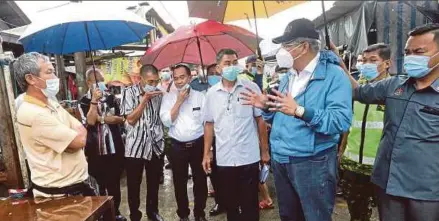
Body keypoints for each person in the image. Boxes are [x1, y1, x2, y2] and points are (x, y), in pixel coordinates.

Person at [241, 18, 352, 221]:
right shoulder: (289, 76)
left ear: (304, 46)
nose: (282, 51)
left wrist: (301, 111)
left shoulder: (334, 76)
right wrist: (266, 106)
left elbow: (341, 121)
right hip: (282, 158)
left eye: (287, 46)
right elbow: (279, 113)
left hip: (312, 162)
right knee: (289, 216)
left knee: (315, 215)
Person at [341, 23, 439, 221]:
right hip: (387, 184)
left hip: (427, 192)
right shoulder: (394, 85)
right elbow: (358, 92)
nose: (411, 57)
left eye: (419, 52)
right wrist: (339, 64)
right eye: (408, 52)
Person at [202, 49, 270, 221]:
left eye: (234, 62)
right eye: (227, 63)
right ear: (218, 68)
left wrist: (264, 151)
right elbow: (209, 124)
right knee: (231, 206)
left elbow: (260, 121)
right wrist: (206, 153)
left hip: (248, 156)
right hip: (224, 158)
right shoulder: (211, 94)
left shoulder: (251, 88)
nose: (231, 67)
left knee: (250, 206)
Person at [14, 52, 93, 197]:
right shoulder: (33, 113)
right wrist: (73, 138)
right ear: (31, 79)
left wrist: (72, 138)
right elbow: (79, 140)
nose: (55, 78)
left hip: (74, 186)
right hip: (59, 194)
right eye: (49, 72)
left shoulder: (50, 102)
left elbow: (79, 127)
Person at [160, 64, 208, 221]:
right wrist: (179, 101)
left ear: (190, 77)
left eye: (182, 77)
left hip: (198, 144)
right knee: (179, 182)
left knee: (200, 181)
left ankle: (200, 213)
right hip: (177, 146)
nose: (179, 81)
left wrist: (209, 149)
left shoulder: (200, 96)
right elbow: (167, 122)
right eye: (176, 78)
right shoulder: (168, 97)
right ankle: (183, 214)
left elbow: (207, 123)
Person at [78, 68, 126, 221]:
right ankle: (101, 214)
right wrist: (94, 102)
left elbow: (120, 119)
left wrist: (102, 118)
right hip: (95, 151)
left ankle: (115, 211)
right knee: (99, 184)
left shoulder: (111, 98)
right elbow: (90, 121)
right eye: (97, 81)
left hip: (114, 148)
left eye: (102, 80)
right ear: (89, 83)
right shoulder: (84, 102)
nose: (102, 84)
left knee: (114, 183)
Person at [120, 64, 164, 221]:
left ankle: (153, 212)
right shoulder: (129, 92)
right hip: (135, 146)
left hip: (155, 144)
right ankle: (135, 214)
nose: (153, 85)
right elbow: (130, 119)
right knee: (133, 184)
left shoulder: (159, 94)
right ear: (141, 79)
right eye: (150, 82)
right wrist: (144, 100)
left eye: (155, 81)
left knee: (153, 182)